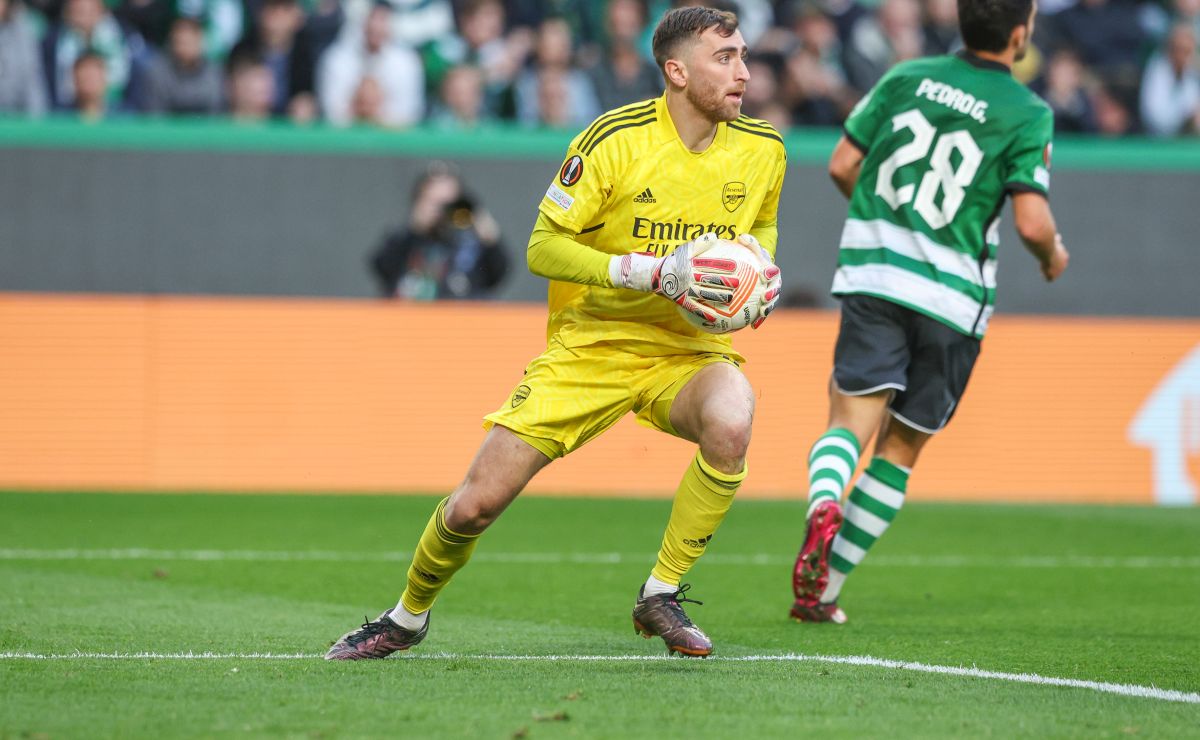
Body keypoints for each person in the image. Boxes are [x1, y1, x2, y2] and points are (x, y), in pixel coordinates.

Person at [326, 6, 785, 660]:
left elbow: (761, 229)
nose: (744, 72)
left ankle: (662, 591)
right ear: (676, 71)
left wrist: (757, 277)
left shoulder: (763, 147)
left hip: (686, 349)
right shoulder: (613, 140)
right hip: (591, 346)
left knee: (733, 417)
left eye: (743, 55)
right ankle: (406, 617)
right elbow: (543, 248)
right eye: (726, 58)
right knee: (472, 508)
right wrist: (646, 271)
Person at [789, 0, 1070, 624]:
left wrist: (882, 220)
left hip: (877, 275)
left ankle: (824, 499)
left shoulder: (905, 77)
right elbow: (1030, 219)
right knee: (900, 448)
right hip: (951, 300)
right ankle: (822, 592)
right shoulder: (1027, 112)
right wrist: (1053, 254)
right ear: (1020, 35)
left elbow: (842, 164)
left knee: (848, 418)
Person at [369, 162, 510, 300]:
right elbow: (382, 267)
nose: (441, 211)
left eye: (448, 203)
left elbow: (497, 274)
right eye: (433, 202)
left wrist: (490, 239)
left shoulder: (470, 242)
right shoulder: (407, 240)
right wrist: (414, 229)